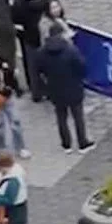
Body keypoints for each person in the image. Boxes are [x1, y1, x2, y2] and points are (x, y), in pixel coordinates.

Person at [34, 20, 93, 153]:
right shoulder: (70, 50)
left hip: (55, 89)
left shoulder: (41, 52)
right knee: (78, 116)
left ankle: (66, 144)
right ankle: (82, 143)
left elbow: (38, 70)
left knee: (61, 117)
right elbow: (82, 67)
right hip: (73, 87)